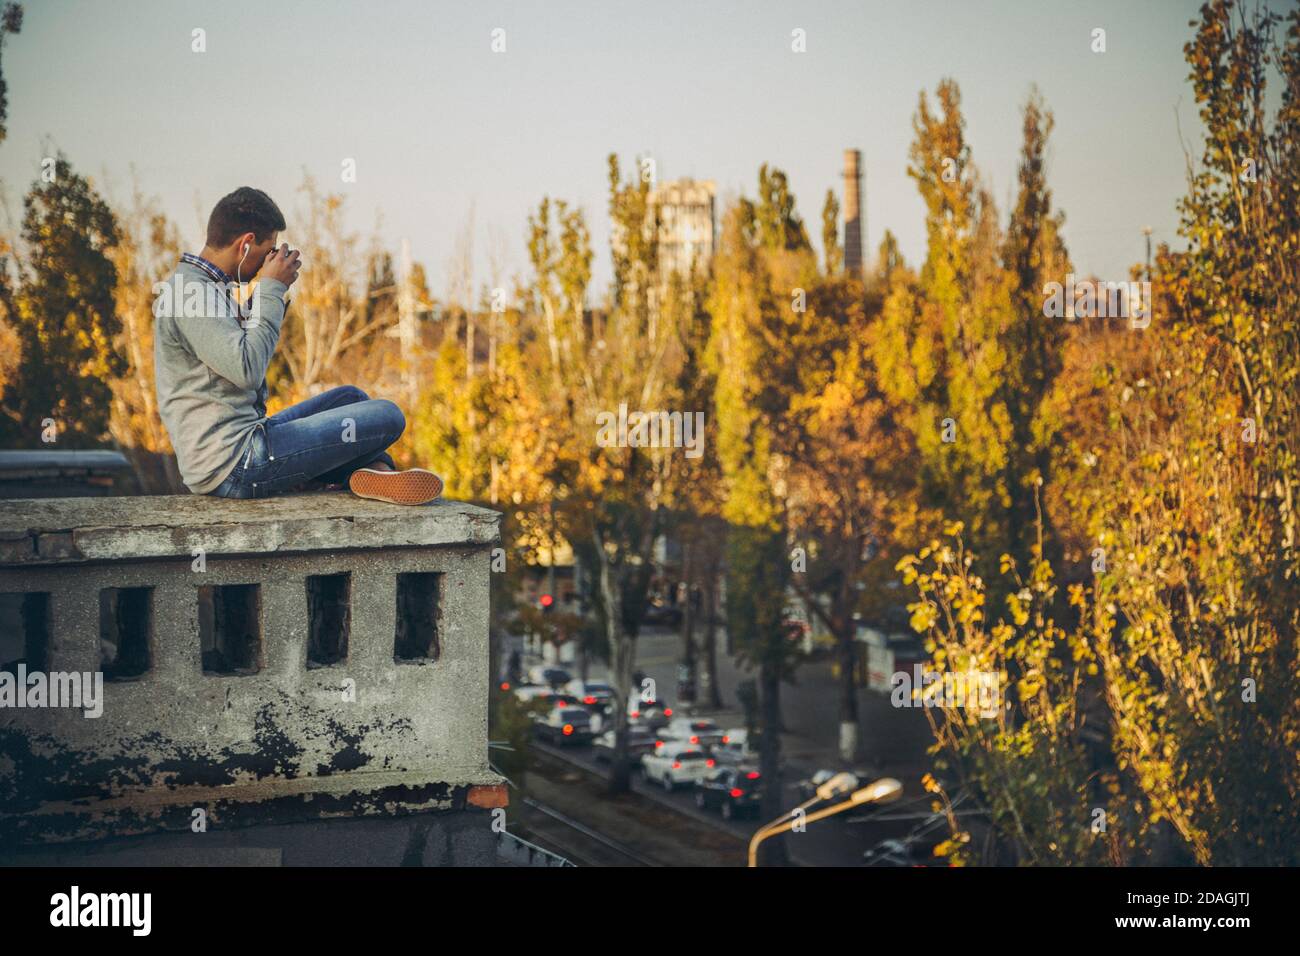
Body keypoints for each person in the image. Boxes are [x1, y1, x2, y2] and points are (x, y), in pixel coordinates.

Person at [153, 187, 442, 505]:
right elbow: (246, 369)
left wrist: (261, 299)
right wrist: (271, 288)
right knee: (389, 415)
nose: (270, 260)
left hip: (249, 440)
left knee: (350, 398)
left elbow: (233, 358)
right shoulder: (190, 294)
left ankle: (371, 473)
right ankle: (363, 471)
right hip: (235, 463)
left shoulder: (206, 289)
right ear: (246, 243)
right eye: (269, 250)